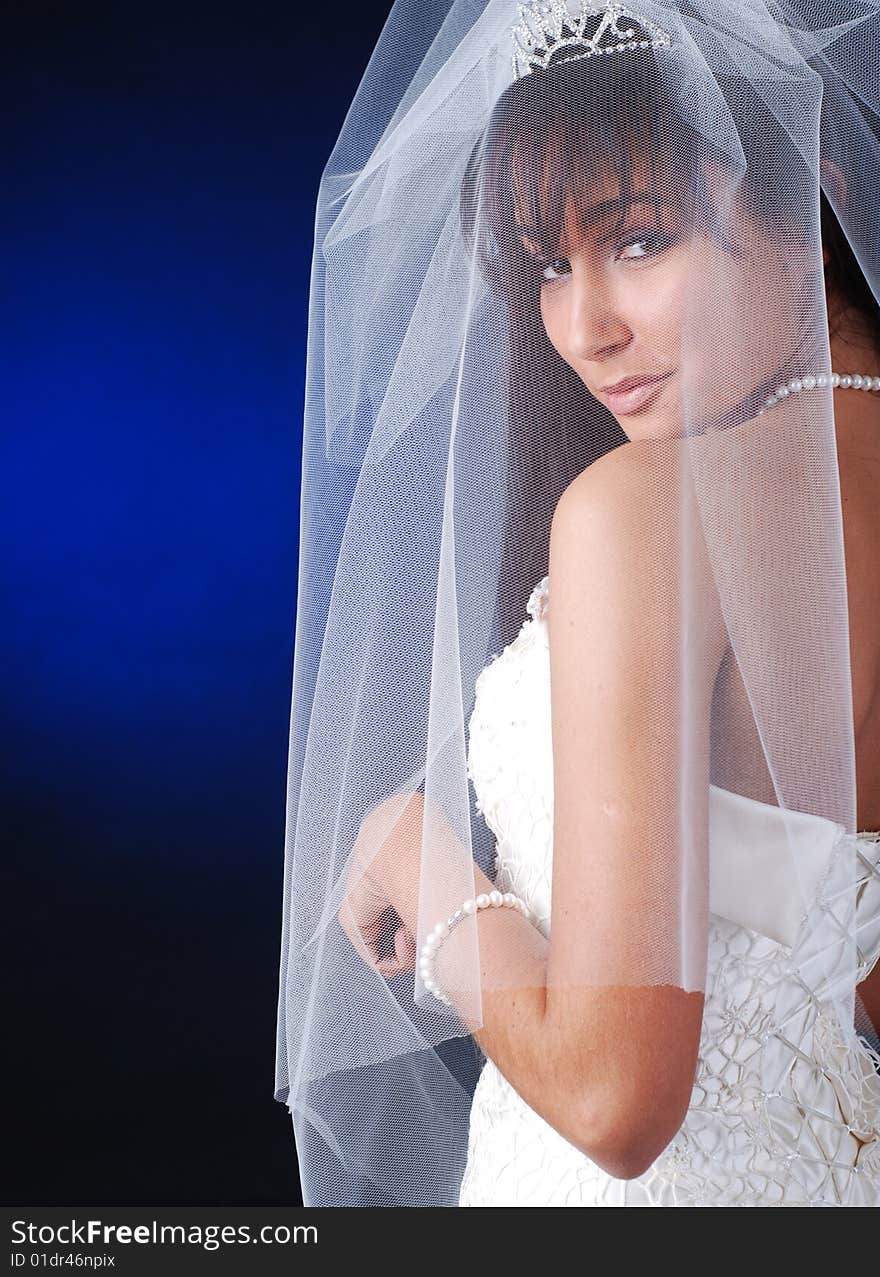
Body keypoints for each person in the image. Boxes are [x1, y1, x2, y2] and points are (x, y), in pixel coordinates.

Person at [275, 0, 880, 1206]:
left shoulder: (648, 510)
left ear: (810, 209)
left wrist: (414, 858)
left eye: (640, 239)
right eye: (550, 264)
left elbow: (615, 1099)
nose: (587, 328)